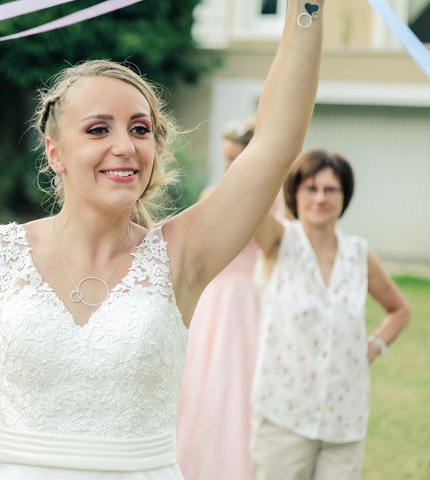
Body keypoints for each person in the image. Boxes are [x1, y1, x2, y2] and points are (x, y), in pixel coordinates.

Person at [0, 2, 326, 478]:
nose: (125, 145)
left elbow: (276, 142)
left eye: (140, 129)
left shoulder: (180, 255)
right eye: (99, 129)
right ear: (55, 152)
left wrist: (308, 6)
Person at [251, 149, 411, 479]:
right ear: (294, 194)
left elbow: (400, 310)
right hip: (285, 414)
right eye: (311, 188)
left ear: (344, 196)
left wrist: (373, 346)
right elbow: (253, 201)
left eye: (330, 189)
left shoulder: (358, 253)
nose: (320, 198)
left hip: (344, 418)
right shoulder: (279, 241)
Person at [177, 117, 279, 480]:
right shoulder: (212, 195)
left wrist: (258, 193)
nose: (229, 167)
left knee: (241, 388)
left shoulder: (275, 199)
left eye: (237, 159)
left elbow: (272, 248)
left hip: (250, 302)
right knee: (204, 387)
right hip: (213, 301)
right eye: (226, 158)